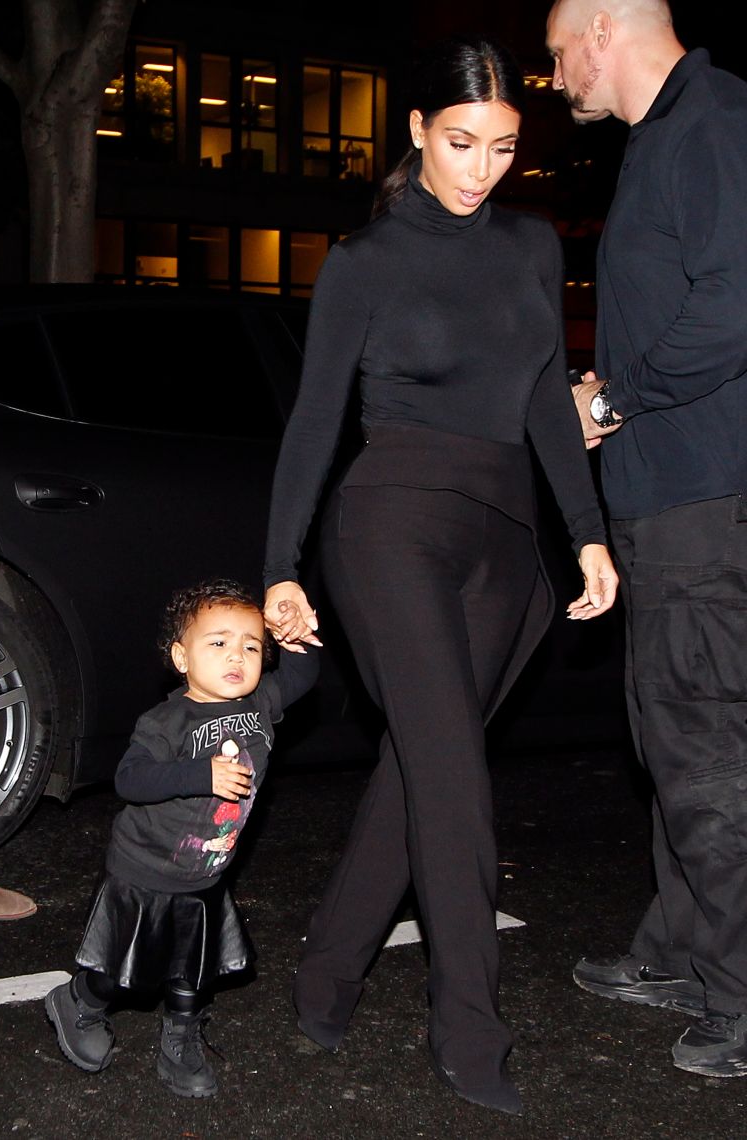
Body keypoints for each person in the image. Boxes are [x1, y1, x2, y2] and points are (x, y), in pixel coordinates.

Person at [261, 32, 618, 1116]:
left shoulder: (526, 244)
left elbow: (540, 395)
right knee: (456, 781)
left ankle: (323, 978)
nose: (481, 169)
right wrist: (277, 564)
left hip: (505, 543)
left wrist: (587, 532)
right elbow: (315, 421)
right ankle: (470, 1032)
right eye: (461, 143)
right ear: (417, 130)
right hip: (391, 526)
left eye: (503, 149)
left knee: (421, 769)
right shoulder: (366, 263)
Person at [546, 0, 747, 1079]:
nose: (554, 74)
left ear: (601, 26)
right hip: (672, 500)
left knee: (705, 753)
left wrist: (615, 397)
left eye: (553, 51)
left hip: (701, 503)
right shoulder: (667, 138)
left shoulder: (711, 122)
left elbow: (736, 301)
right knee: (671, 742)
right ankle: (679, 951)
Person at [45, 577, 318, 1098]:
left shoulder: (261, 703)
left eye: (252, 645)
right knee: (121, 971)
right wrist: (199, 773)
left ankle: (181, 1035)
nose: (236, 655)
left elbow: (306, 671)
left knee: (192, 973)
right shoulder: (167, 720)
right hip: (143, 874)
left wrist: (290, 626)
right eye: (218, 643)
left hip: (206, 875)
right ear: (181, 656)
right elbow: (130, 778)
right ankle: (82, 1001)